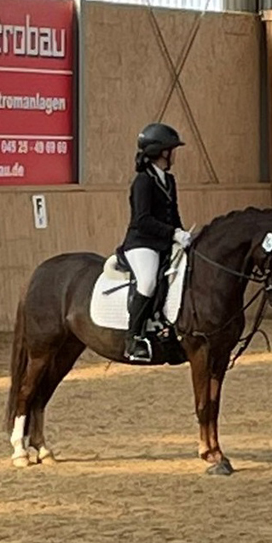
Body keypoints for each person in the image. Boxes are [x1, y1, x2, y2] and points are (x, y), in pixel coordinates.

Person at [120, 122, 192, 363]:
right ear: (163, 152)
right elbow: (142, 219)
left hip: (164, 241)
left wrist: (183, 234)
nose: (175, 155)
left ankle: (165, 329)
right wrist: (173, 234)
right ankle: (133, 339)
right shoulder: (143, 181)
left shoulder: (169, 180)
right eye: (173, 150)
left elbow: (173, 214)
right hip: (142, 243)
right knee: (148, 281)